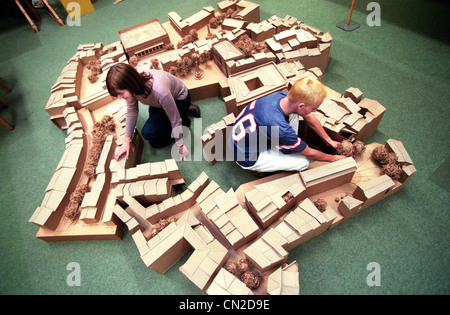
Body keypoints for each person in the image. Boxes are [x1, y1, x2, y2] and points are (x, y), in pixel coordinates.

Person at [228, 77, 347, 173]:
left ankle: (289, 145)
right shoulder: (281, 128)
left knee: (294, 115)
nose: (315, 111)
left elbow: (308, 116)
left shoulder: (282, 95)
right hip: (247, 157)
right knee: (304, 162)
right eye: (314, 108)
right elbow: (309, 153)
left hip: (241, 139)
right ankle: (259, 169)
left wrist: (329, 140)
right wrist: (334, 158)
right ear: (301, 105)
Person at [106, 63, 200, 161]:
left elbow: (175, 120)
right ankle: (181, 112)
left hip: (179, 99)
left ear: (130, 84)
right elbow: (132, 112)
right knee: (153, 134)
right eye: (117, 95)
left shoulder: (159, 91)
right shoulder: (133, 87)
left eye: (120, 94)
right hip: (160, 103)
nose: (120, 98)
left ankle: (185, 117)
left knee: (151, 135)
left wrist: (180, 144)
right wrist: (126, 141)